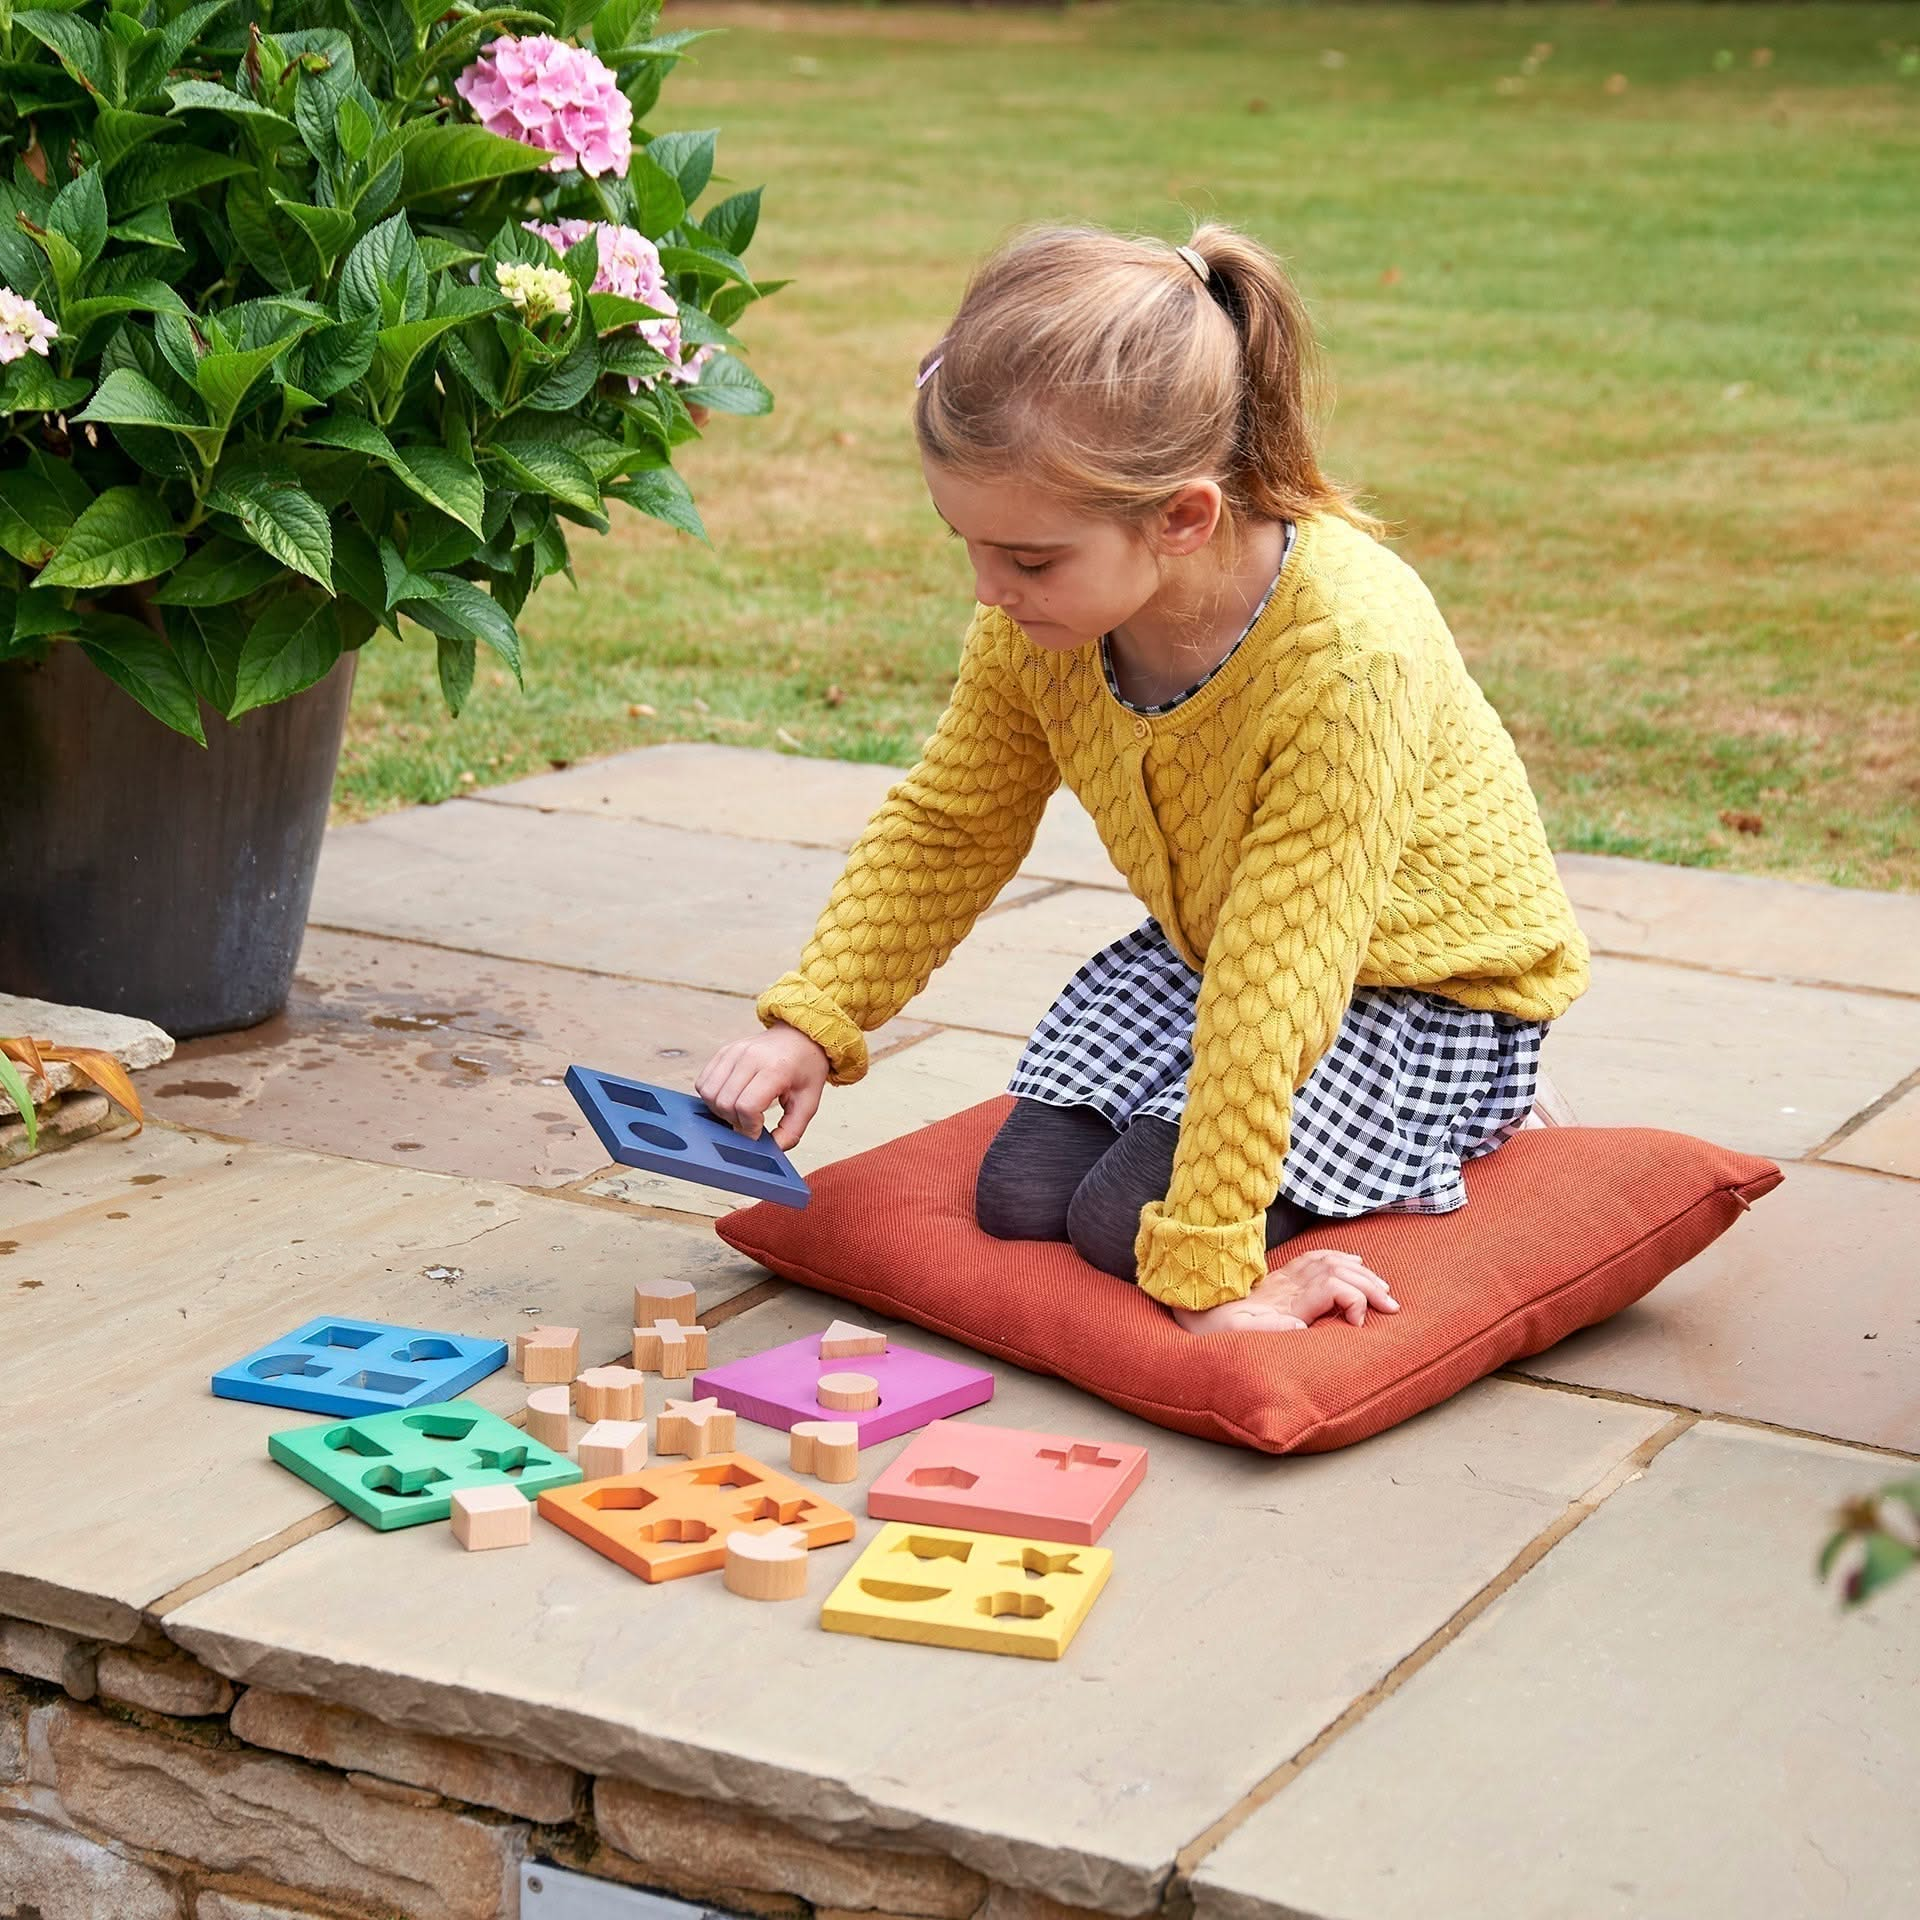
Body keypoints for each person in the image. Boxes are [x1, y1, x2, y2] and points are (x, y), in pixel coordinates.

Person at [697, 220, 1590, 1336]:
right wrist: (813, 1023)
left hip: (1420, 992)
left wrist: (1219, 1277)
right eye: (963, 541)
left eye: (1027, 559)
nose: (988, 592)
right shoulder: (1041, 627)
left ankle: (1471, 1118)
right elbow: (952, 823)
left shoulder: (1352, 657)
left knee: (1129, 1229)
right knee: (1023, 1198)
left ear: (1182, 517)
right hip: (1225, 952)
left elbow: (1282, 979)